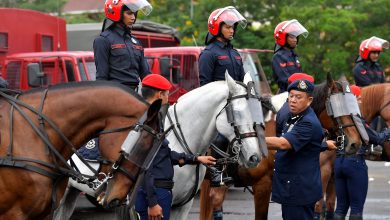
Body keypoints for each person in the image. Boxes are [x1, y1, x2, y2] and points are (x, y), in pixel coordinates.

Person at [134, 74, 216, 220]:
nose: (168, 98)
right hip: (154, 194)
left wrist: (196, 158)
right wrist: (152, 203)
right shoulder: (145, 123)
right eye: (166, 94)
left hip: (162, 191)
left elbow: (164, 155)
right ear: (159, 95)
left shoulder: (154, 119)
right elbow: (144, 168)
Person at [266, 79, 331, 220]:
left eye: (298, 97)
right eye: (291, 96)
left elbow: (283, 144)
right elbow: (306, 145)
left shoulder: (307, 121)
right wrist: (324, 145)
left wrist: (253, 140)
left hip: (298, 191)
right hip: (293, 188)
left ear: (309, 100)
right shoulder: (294, 117)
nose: (293, 100)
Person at [198, 6, 247, 189]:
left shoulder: (235, 53)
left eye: (233, 26)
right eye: (228, 26)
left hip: (236, 103)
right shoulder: (209, 53)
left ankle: (237, 170)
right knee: (220, 136)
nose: (232, 30)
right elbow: (205, 84)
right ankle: (215, 169)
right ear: (216, 27)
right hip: (218, 105)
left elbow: (241, 79)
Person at [333, 85, 390, 220]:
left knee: (340, 207)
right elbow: (377, 139)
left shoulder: (338, 118)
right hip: (355, 163)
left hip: (339, 163)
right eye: (358, 98)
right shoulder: (356, 119)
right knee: (357, 208)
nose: (360, 101)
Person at [93, 0, 152, 91]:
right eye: (129, 13)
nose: (133, 17)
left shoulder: (136, 42)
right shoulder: (103, 40)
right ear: (116, 14)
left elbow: (146, 75)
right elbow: (101, 77)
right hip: (115, 95)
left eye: (134, 14)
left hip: (134, 94)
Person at [272, 19, 309, 93]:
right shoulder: (278, 57)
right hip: (286, 95)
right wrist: (303, 87)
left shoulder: (294, 56)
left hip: (299, 92)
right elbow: (285, 80)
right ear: (282, 38)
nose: (295, 40)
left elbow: (300, 76)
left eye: (296, 37)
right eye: (292, 37)